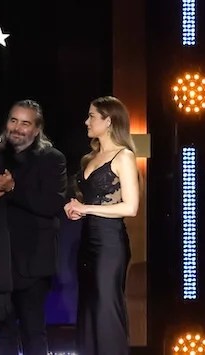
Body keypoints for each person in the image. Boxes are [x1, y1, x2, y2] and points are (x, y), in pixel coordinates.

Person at [0, 100, 67, 355]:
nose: (17, 128)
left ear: (37, 129)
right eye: (13, 120)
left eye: (25, 123)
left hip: (32, 265)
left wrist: (12, 189)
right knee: (1, 333)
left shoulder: (52, 159)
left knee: (33, 333)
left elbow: (51, 203)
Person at [65, 96, 139, 355]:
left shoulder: (124, 156)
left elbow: (130, 207)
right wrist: (75, 208)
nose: (87, 121)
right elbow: (91, 200)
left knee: (106, 311)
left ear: (108, 121)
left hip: (110, 246)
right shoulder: (90, 158)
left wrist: (86, 208)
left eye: (92, 116)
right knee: (88, 309)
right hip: (87, 242)